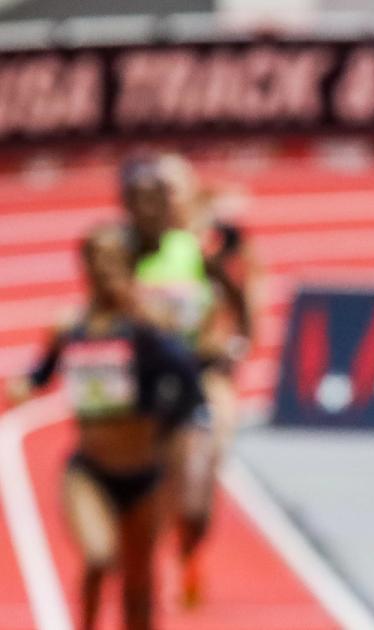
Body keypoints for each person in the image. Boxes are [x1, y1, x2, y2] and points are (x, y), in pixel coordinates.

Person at [5, 225, 205, 630]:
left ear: (130, 267)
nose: (104, 269)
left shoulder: (148, 328)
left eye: (113, 260)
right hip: (90, 470)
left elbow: (189, 382)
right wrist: (24, 385)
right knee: (98, 557)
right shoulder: (69, 327)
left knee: (139, 584)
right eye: (95, 259)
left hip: (146, 473)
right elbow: (41, 375)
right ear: (84, 267)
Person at [120, 153, 240, 607]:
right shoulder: (128, 251)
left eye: (172, 190)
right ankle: (144, 576)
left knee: (195, 492)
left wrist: (234, 343)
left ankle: (190, 548)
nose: (163, 200)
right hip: (145, 387)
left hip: (199, 377)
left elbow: (238, 297)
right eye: (156, 191)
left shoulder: (204, 247)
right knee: (147, 494)